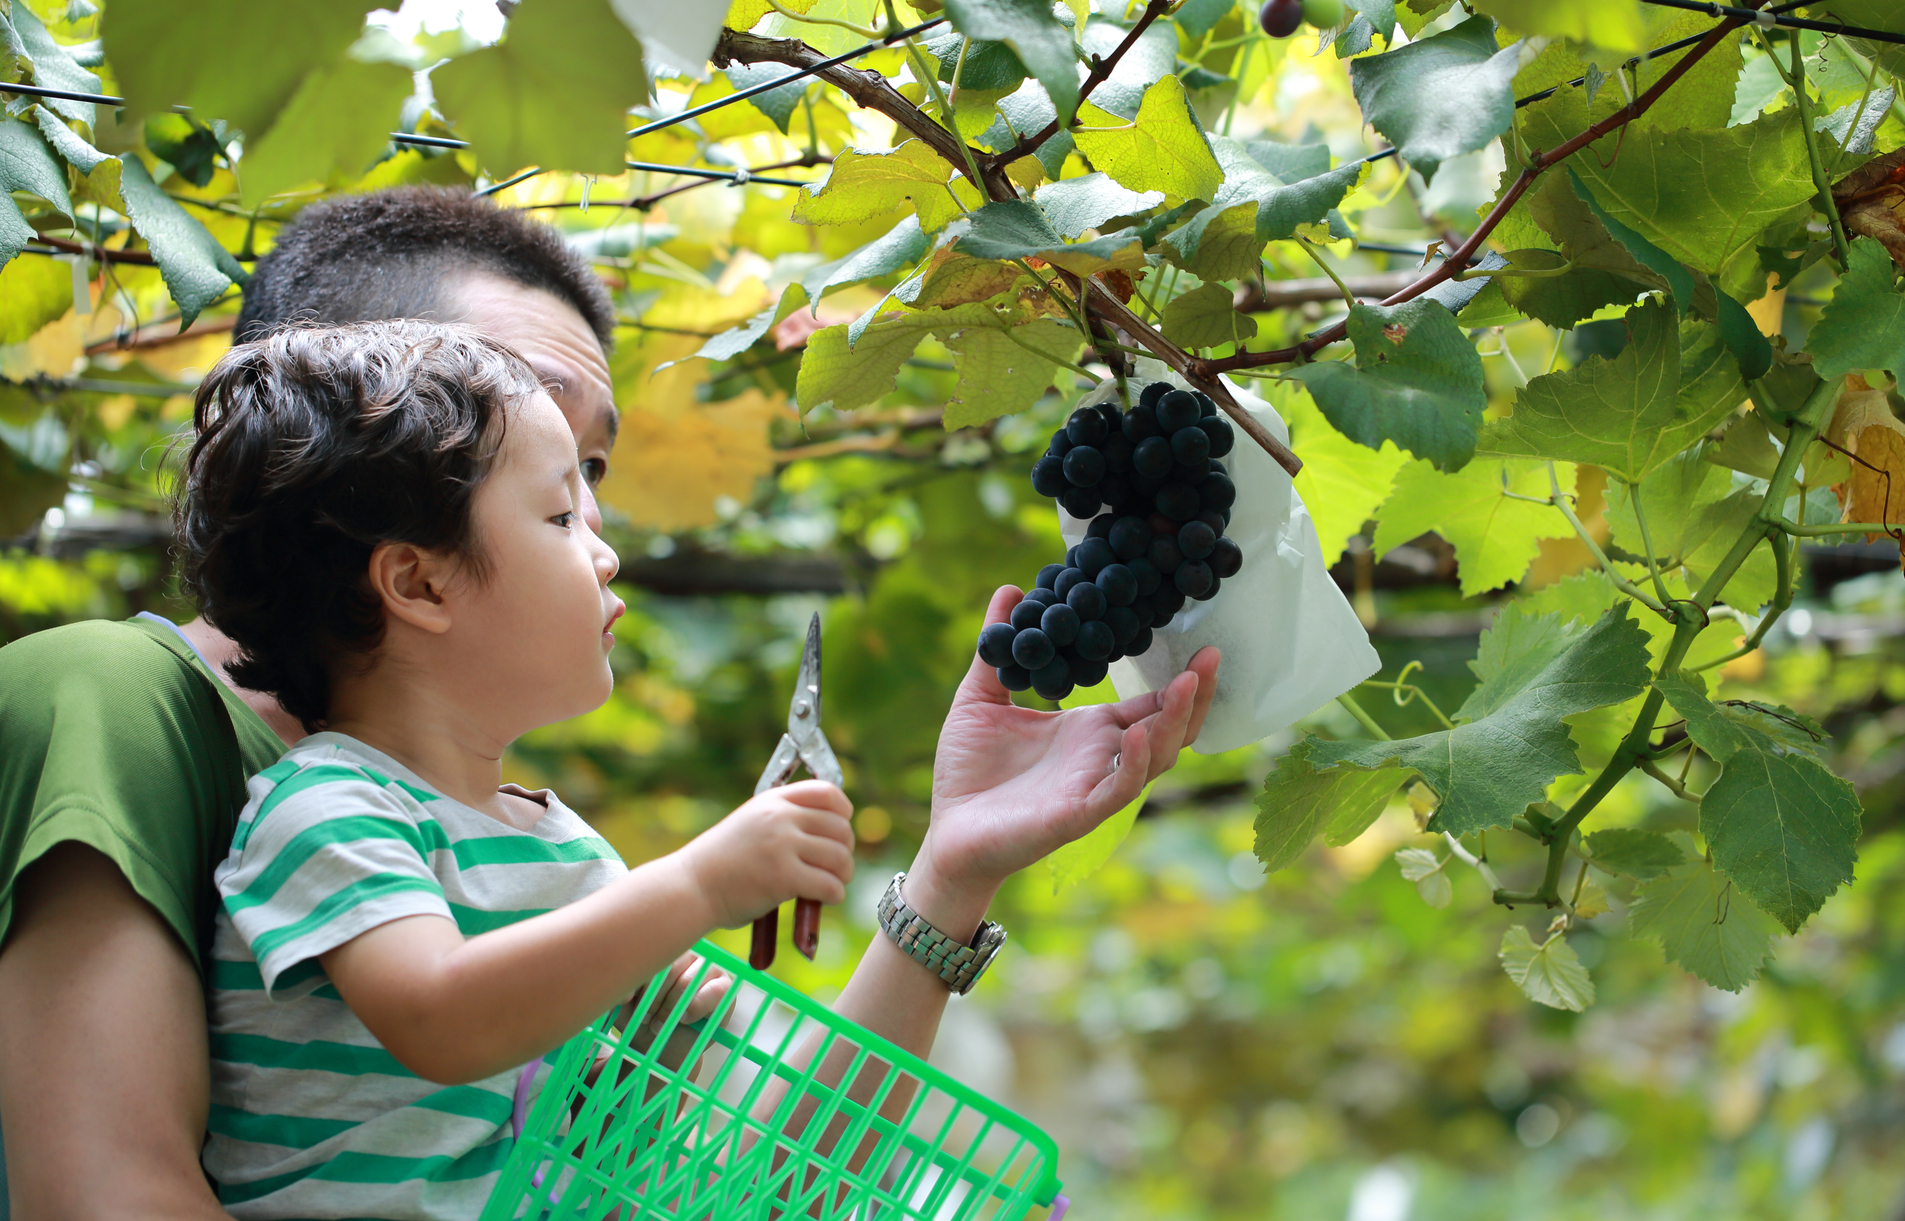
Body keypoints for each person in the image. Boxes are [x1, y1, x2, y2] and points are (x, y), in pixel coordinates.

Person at [0, 187, 1221, 1219]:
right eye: (547, 481)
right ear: (363, 452)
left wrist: (951, 874)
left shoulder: (534, 848)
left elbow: (759, 1170)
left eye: (591, 475)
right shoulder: (132, 704)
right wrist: (692, 881)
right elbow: (110, 1189)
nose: (602, 539)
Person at [185, 323, 863, 1217]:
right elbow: (440, 1014)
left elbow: (571, 1158)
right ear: (419, 585)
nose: (605, 552)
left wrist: (643, 1069)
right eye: (558, 517)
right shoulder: (325, 807)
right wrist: (698, 884)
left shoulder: (565, 851)